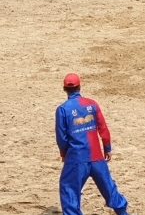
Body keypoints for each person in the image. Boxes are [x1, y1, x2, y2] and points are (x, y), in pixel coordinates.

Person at [56, 73, 130, 215]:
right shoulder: (92, 104)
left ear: (64, 89)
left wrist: (64, 153)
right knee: (109, 188)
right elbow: (103, 128)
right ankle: (122, 212)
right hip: (97, 156)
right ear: (80, 86)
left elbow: (61, 137)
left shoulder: (63, 109)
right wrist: (107, 148)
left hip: (76, 158)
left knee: (69, 189)